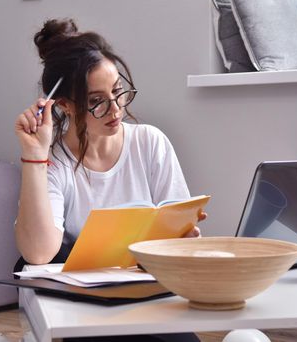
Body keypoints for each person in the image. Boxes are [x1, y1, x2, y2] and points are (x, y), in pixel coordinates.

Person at [13, 18, 204, 342]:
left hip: (150, 294)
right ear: (65, 106)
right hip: (87, 307)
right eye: (97, 101)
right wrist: (35, 155)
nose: (116, 109)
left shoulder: (150, 142)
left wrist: (184, 241)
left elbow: (177, 229)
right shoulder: (56, 162)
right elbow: (38, 254)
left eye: (118, 92)